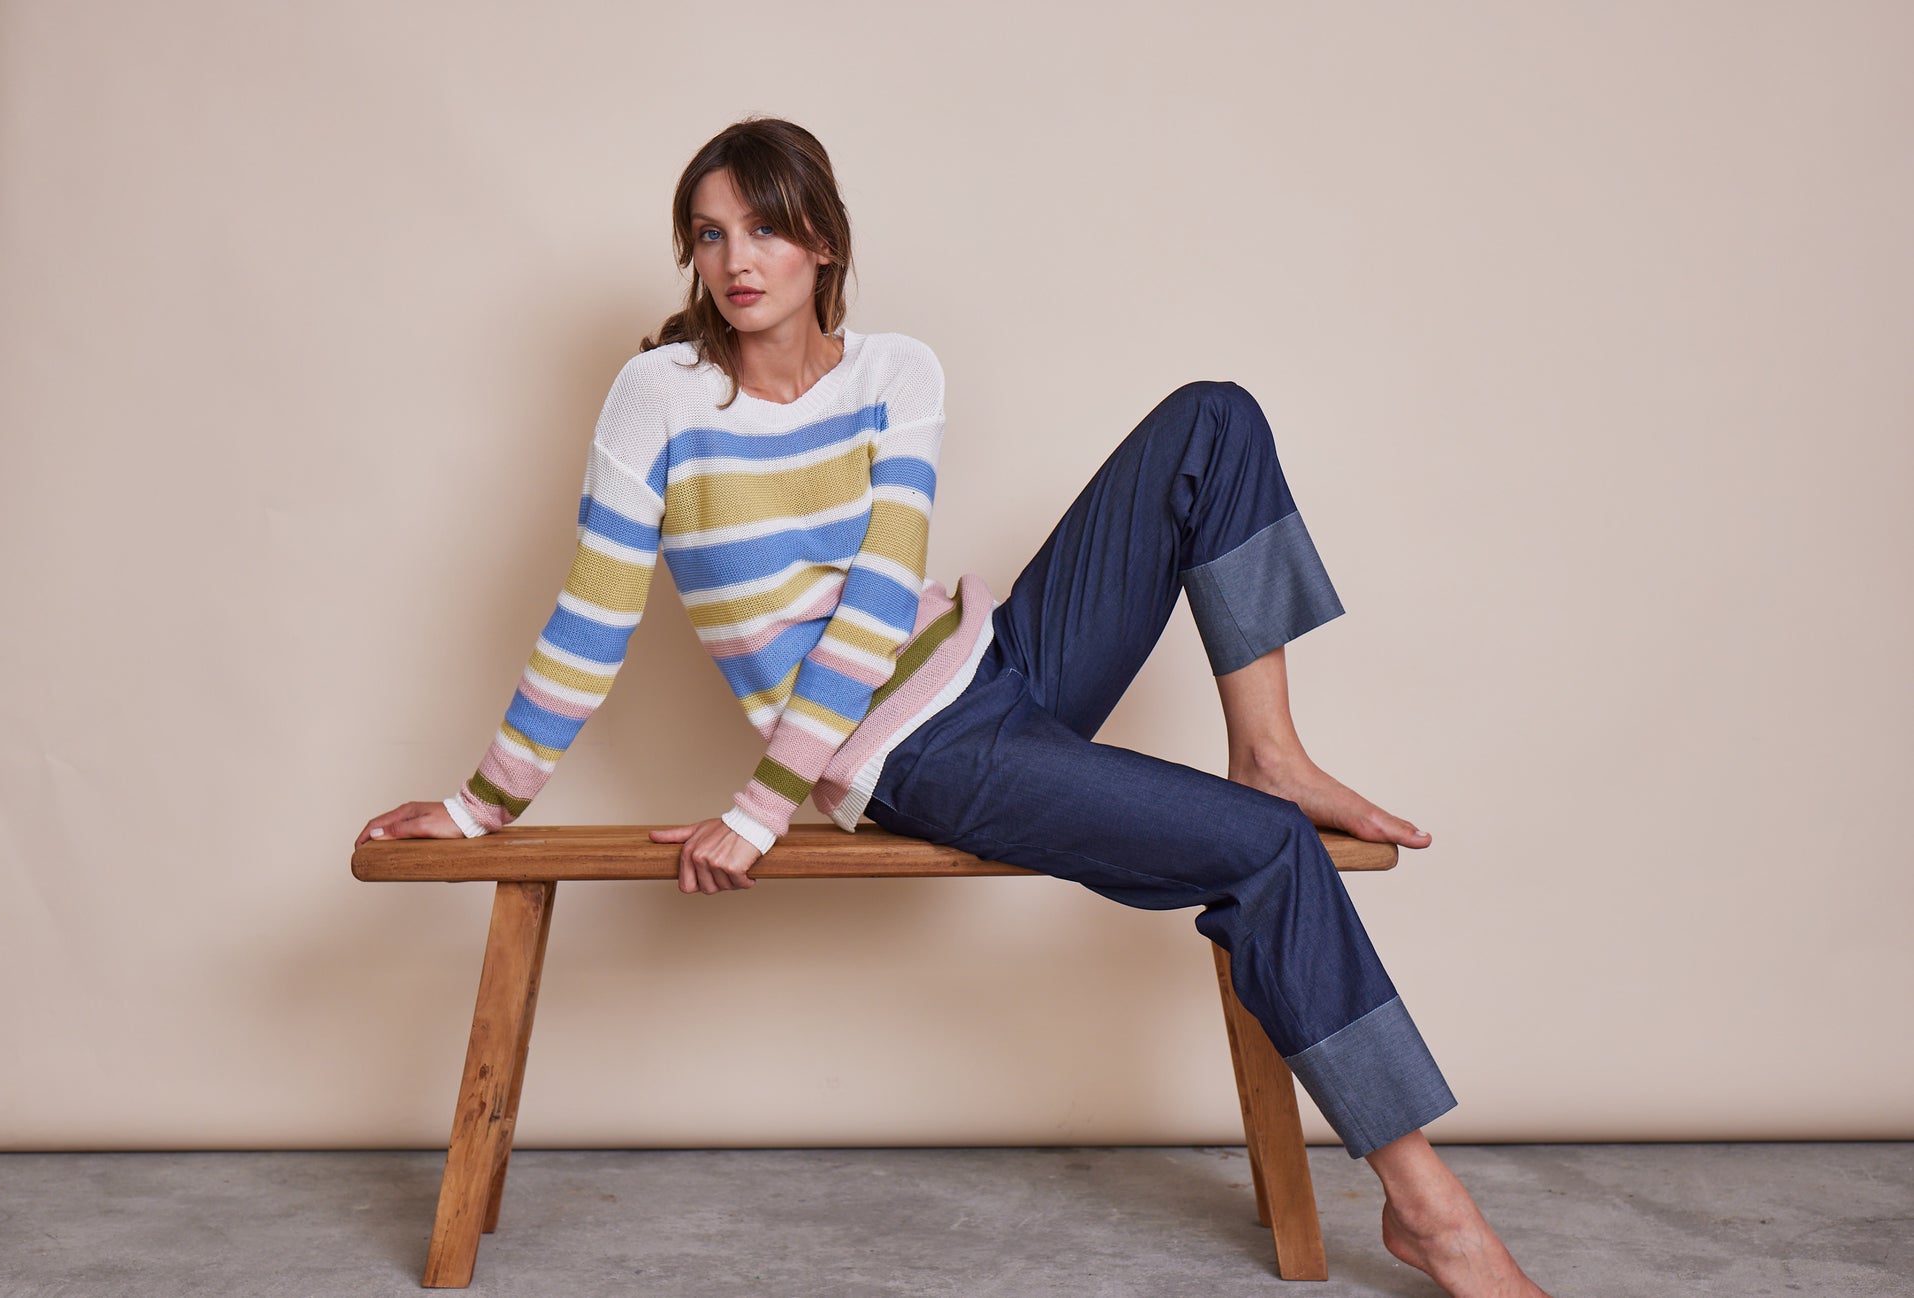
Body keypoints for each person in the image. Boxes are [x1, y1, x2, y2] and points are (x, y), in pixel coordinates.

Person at [356, 115, 1553, 1298]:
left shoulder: (895, 371)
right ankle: (1428, 1209)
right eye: (710, 235)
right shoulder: (658, 398)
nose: (736, 260)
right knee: (1272, 851)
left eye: (765, 229)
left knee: (1214, 417)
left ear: (822, 240)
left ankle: (1269, 747)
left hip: (1006, 655)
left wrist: (761, 804)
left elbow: (885, 594)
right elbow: (591, 616)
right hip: (912, 753)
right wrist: (482, 806)